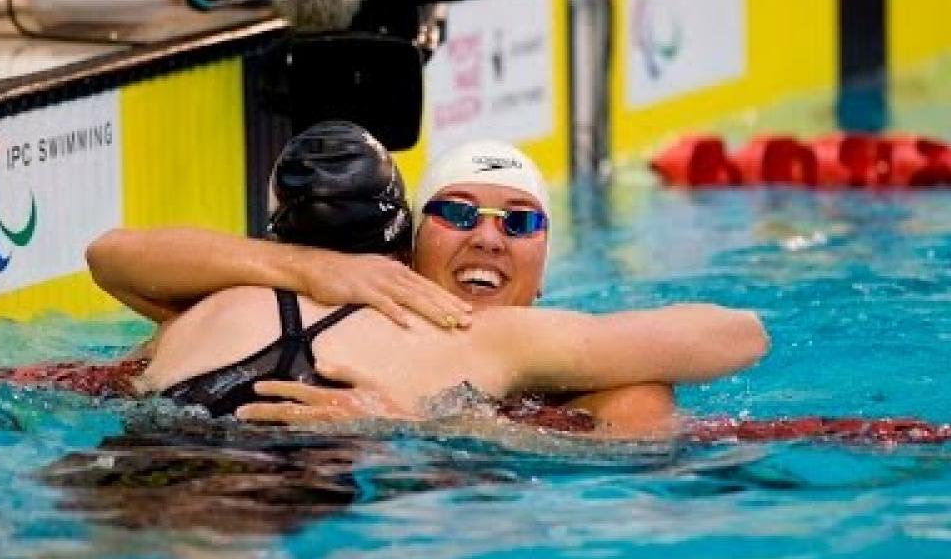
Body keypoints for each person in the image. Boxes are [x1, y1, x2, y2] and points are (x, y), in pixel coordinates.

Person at [85, 122, 768, 436]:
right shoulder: (485, 340)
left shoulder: (540, 344)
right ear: (410, 244)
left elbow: (738, 333)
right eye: (458, 212)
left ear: (548, 261)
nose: (488, 236)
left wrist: (430, 422)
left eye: (520, 222)